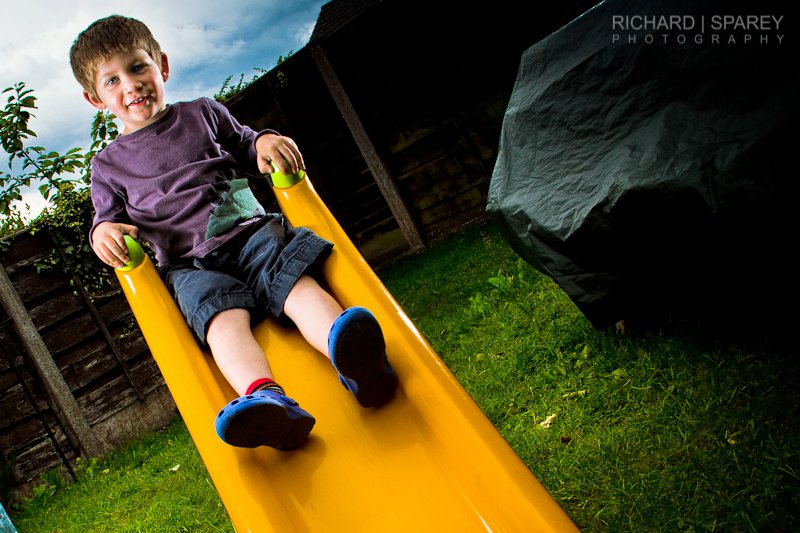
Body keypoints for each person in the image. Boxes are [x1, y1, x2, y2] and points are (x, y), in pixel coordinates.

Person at [69, 15, 397, 451]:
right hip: (190, 266)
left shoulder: (202, 113)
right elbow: (105, 218)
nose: (131, 85)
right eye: (112, 80)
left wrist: (264, 142)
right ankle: (267, 401)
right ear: (95, 99)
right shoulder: (108, 166)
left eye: (137, 66)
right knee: (221, 322)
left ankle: (353, 357)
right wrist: (103, 233)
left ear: (161, 65)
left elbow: (246, 142)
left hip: (250, 232)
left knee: (293, 282)